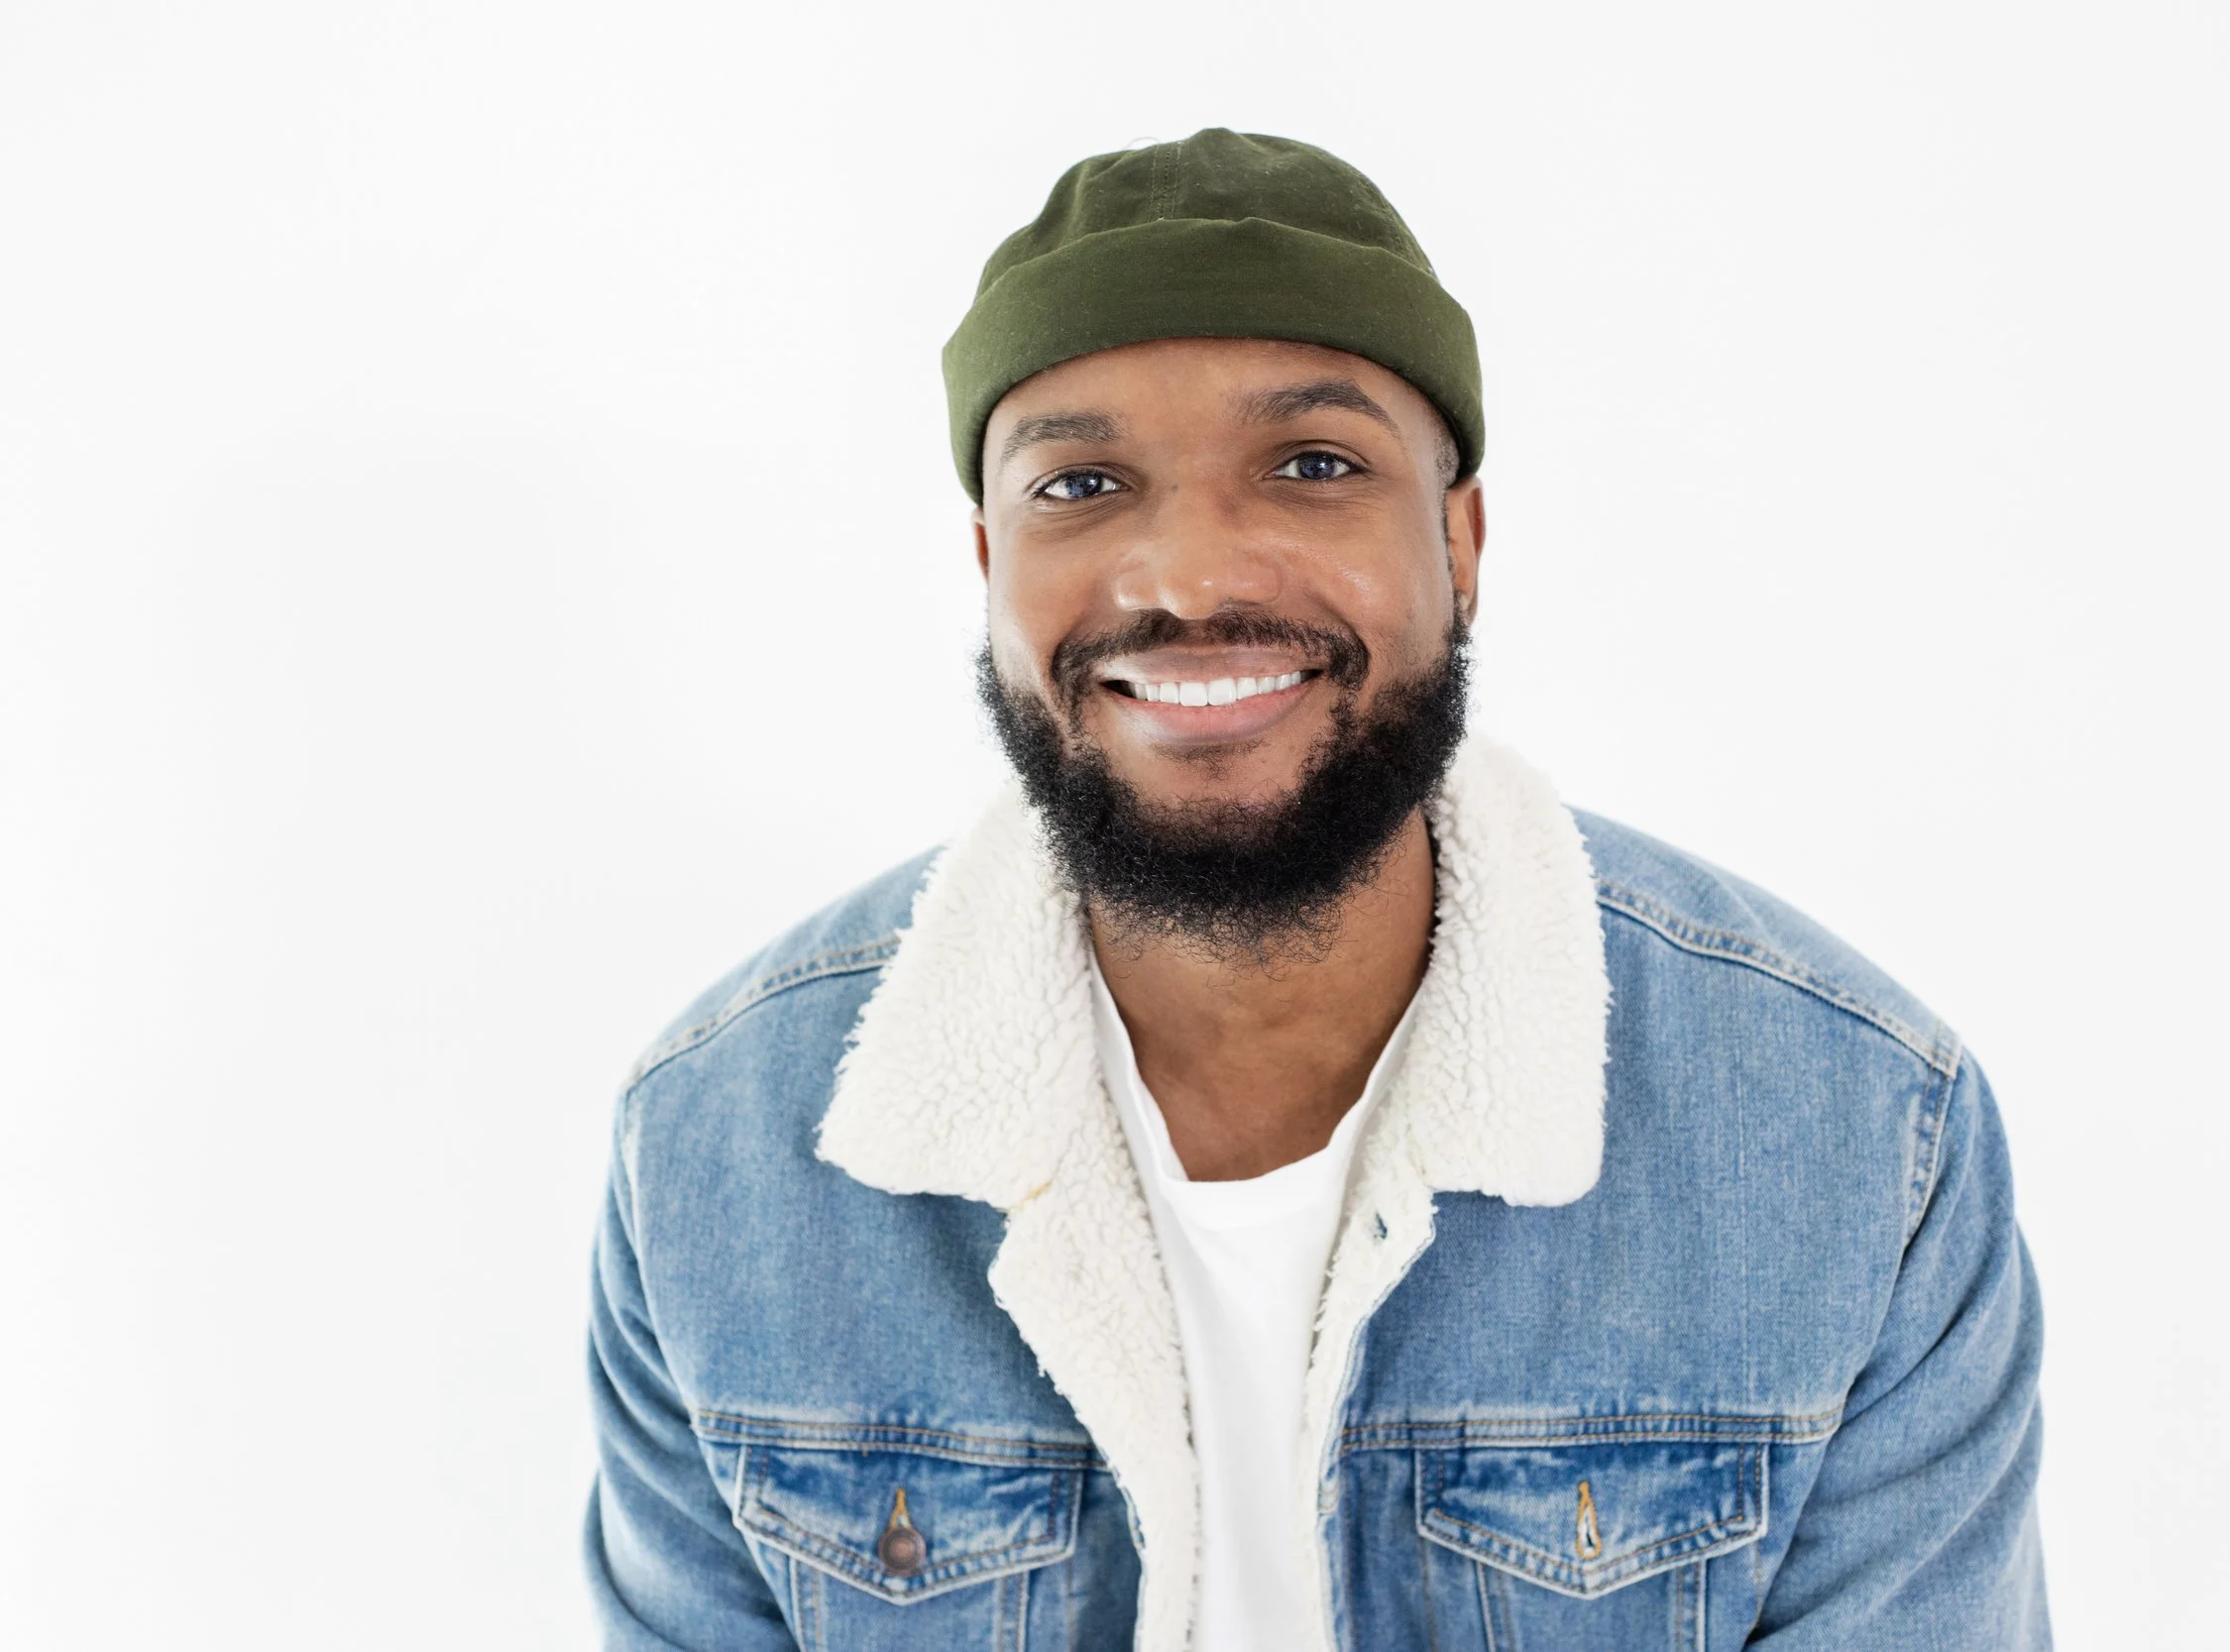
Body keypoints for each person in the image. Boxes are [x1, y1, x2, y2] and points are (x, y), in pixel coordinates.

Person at [584, 128, 2048, 1652]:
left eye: (1313, 465)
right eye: (1081, 482)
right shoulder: (719, 1152)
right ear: (987, 561)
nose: (1188, 573)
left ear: (1461, 541)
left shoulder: (1851, 1134)